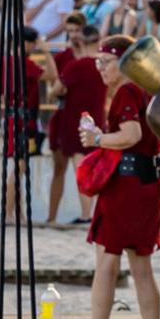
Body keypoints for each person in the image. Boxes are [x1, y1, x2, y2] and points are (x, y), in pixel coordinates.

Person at [79, 36, 160, 319]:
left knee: (106, 263)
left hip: (126, 185)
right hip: (149, 183)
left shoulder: (128, 90)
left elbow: (132, 135)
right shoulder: (150, 90)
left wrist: (98, 137)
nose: (100, 68)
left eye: (106, 61)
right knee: (142, 266)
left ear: (123, 62)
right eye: (97, 62)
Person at [45, 22, 106, 223]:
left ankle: (86, 213)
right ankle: (94, 212)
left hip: (75, 120)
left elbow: (55, 90)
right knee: (97, 168)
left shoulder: (76, 66)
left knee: (81, 167)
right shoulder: (105, 65)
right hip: (98, 119)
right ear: (98, 41)